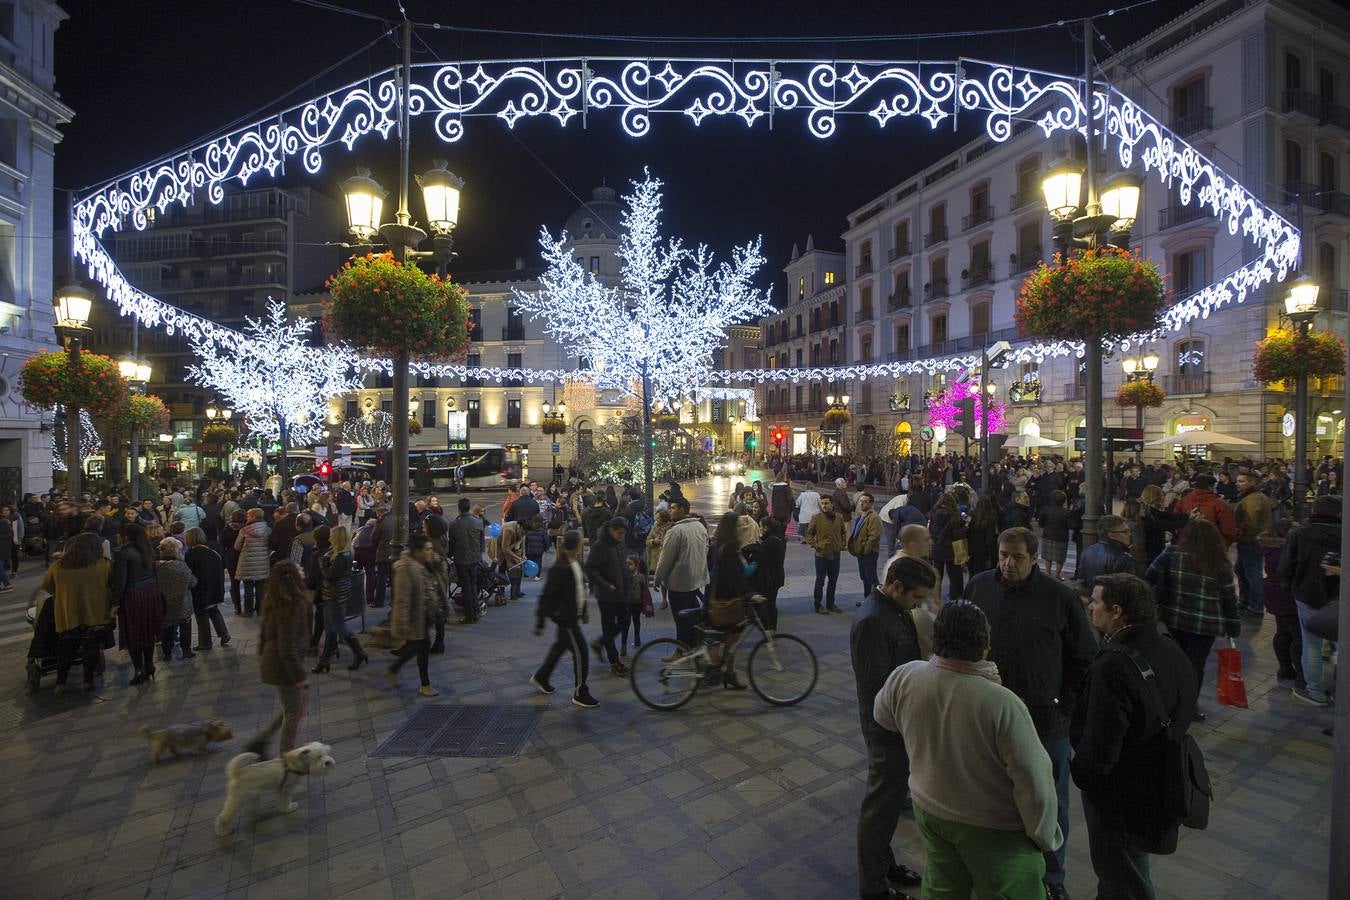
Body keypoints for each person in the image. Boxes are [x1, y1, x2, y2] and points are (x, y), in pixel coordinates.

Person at [873, 602, 1062, 899]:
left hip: (930, 809)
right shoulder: (1002, 703)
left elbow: (882, 716)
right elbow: (1034, 782)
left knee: (943, 885)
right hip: (993, 829)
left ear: (937, 638)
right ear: (985, 645)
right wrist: (1043, 835)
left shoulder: (906, 676)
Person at [965, 526, 1097, 899]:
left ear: (1034, 557)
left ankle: (1052, 880)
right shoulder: (979, 586)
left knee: (1048, 803)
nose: (1007, 563)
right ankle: (998, 870)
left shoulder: (1059, 598)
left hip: (1044, 723)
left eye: (1017, 556)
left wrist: (1064, 706)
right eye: (1003, 554)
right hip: (987, 718)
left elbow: (1084, 658)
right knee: (994, 798)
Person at [1072, 573, 1198, 900]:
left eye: (1096, 601)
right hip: (1158, 780)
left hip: (1120, 793)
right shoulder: (1168, 645)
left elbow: (1101, 744)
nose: (1090, 607)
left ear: (1117, 612)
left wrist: (1083, 775)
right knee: (1129, 867)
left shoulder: (1113, 665)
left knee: (1122, 875)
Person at [850, 557, 935, 900]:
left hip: (901, 726)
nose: (919, 604)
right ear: (897, 587)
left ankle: (885, 864)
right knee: (880, 809)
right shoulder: (873, 620)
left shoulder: (894, 611)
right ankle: (873, 887)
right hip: (888, 729)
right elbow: (877, 689)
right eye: (916, 597)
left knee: (887, 807)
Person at [1147, 518, 1240, 718]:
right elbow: (1229, 598)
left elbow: (1150, 575)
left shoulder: (1171, 554)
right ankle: (1188, 706)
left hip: (1174, 618)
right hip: (1205, 625)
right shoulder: (1219, 563)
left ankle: (1169, 701)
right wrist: (1233, 626)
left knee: (1174, 660)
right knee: (1195, 665)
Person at [1279, 494, 1342, 707]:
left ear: (1314, 510)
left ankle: (1315, 691)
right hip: (1339, 596)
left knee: (1311, 644)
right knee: (1340, 645)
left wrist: (1288, 587)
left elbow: (1287, 564)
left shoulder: (1300, 533)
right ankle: (1339, 692)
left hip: (1307, 593)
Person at [531, 530, 599, 708]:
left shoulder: (574, 562)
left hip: (571, 616)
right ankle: (580, 692)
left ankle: (541, 677)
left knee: (559, 648)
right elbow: (547, 596)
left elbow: (578, 588)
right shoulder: (559, 568)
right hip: (565, 619)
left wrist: (582, 611)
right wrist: (540, 622)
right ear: (577, 545)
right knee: (581, 652)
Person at [42, 532, 113, 693]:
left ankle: (60, 682)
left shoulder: (59, 566)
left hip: (68, 614)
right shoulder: (103, 564)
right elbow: (113, 583)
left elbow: (47, 586)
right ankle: (87, 680)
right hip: (95, 614)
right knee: (91, 647)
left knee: (66, 648)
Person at [257, 560, 312, 753]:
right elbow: (286, 645)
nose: (302, 569)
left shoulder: (274, 598)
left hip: (274, 661)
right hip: (284, 665)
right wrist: (299, 676)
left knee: (290, 706)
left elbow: (264, 634)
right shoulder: (293, 605)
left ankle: (262, 740)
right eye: (299, 568)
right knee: (293, 710)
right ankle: (285, 756)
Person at [385, 535, 441, 697]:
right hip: (415, 616)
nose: (431, 551)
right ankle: (425, 685)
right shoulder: (406, 569)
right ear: (417, 551)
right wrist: (401, 624)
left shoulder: (425, 564)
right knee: (421, 648)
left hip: (425, 614)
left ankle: (393, 670)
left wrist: (437, 563)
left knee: (419, 646)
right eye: (428, 549)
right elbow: (402, 598)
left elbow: (439, 580)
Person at [654, 496, 710, 651]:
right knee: (692, 616)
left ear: (682, 510)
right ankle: (694, 645)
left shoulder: (676, 531)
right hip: (696, 580)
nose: (670, 510)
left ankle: (681, 649)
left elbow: (665, 559)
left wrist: (658, 579)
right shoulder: (700, 527)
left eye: (673, 508)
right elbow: (706, 550)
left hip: (679, 584)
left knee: (681, 619)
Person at [111, 522, 163, 686]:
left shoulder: (123, 553)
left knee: (134, 631)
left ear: (124, 535)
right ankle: (149, 664)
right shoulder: (147, 549)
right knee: (148, 629)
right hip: (150, 592)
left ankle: (138, 668)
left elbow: (120, 581)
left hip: (133, 595)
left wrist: (115, 603)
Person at [312, 525, 369, 673]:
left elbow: (330, 575)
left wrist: (322, 562)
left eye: (332, 535)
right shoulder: (338, 553)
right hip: (331, 594)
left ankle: (359, 652)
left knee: (339, 627)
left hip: (335, 596)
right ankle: (324, 660)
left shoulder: (342, 556)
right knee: (330, 629)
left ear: (337, 538)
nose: (329, 538)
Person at [585, 517, 631, 677]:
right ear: (611, 530)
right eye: (619, 533)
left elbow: (622, 564)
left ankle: (600, 642)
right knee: (609, 626)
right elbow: (589, 569)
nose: (621, 536)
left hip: (621, 592)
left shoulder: (619, 543)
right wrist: (605, 584)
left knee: (625, 621)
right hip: (606, 595)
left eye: (623, 534)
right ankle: (614, 662)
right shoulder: (599, 546)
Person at [1233, 471, 1274, 617]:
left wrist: (1241, 534)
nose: (1238, 483)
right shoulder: (1249, 497)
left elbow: (1251, 521)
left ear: (1252, 483)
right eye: (1237, 481)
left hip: (1251, 541)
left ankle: (1255, 605)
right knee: (1241, 570)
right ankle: (1246, 600)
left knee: (1252, 573)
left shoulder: (1254, 498)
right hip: (1247, 540)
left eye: (1242, 481)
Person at [184, 527, 230, 650]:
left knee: (201, 615)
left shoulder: (191, 553)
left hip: (200, 588)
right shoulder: (214, 548)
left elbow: (188, 572)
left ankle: (205, 643)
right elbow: (224, 563)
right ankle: (224, 633)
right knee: (213, 609)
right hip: (215, 585)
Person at [806, 494, 848, 614]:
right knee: (820, 581)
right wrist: (816, 545)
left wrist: (842, 544)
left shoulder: (839, 517)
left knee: (833, 581)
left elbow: (843, 532)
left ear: (832, 504)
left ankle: (830, 604)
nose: (824, 505)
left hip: (835, 554)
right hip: (821, 555)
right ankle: (818, 605)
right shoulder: (816, 518)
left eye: (826, 503)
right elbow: (808, 534)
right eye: (822, 503)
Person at [1076, 514, 1138, 595]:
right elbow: (1128, 590)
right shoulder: (1124, 558)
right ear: (1111, 535)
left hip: (1095, 602)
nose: (1129, 534)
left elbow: (1082, 581)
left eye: (1129, 531)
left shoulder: (1088, 551)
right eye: (1125, 531)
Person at [447, 498, 485, 624]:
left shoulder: (453, 524)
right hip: (475, 559)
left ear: (459, 508)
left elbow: (452, 544)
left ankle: (470, 615)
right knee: (473, 585)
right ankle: (476, 610)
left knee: (466, 587)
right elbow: (482, 541)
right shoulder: (478, 522)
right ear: (469, 507)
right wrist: (479, 554)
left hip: (461, 559)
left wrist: (450, 555)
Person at [1175, 473, 1238, 545]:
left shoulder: (1183, 501)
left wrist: (1183, 537)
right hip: (1212, 545)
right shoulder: (1219, 504)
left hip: (1187, 542)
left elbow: (1176, 522)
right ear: (1210, 487)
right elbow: (1228, 529)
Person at [747, 516, 786, 631]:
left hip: (771, 578)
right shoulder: (778, 538)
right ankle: (770, 628)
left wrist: (747, 572)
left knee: (769, 604)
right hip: (777, 576)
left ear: (766, 528)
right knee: (770, 603)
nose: (759, 529)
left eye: (761, 526)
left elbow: (759, 559)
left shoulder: (770, 541)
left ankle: (770, 629)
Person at [928, 491, 968, 601]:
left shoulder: (934, 513)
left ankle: (936, 598)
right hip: (951, 549)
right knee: (955, 577)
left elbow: (931, 529)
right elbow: (957, 535)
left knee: (937, 576)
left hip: (937, 548)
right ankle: (954, 599)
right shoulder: (954, 515)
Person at [847, 491, 883, 608]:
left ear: (871, 504)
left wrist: (866, 549)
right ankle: (867, 600)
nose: (862, 504)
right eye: (861, 501)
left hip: (869, 553)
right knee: (865, 577)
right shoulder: (862, 515)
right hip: (861, 553)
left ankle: (876, 603)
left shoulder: (873, 517)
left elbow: (874, 536)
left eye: (865, 502)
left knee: (871, 578)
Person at [233, 508, 270, 617]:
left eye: (248, 515)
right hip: (262, 561)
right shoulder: (267, 529)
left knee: (248, 587)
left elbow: (237, 546)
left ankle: (248, 611)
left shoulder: (244, 530)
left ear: (253, 517)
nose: (247, 517)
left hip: (247, 561)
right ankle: (260, 609)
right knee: (260, 587)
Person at [1037, 490, 1071, 580]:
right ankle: (1057, 574)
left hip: (1048, 534)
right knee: (1060, 557)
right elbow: (1070, 524)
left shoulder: (1046, 510)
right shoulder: (1067, 512)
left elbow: (1041, 523)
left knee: (1047, 556)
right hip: (1061, 536)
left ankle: (1048, 572)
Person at [966, 496, 1001, 576]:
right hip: (983, 552)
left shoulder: (970, 517)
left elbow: (965, 532)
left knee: (972, 575)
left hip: (970, 550)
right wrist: (990, 556)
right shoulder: (990, 520)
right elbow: (990, 540)